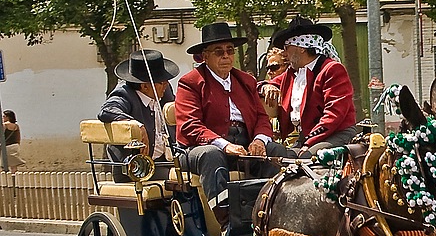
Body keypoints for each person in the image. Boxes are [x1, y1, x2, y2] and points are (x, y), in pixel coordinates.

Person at [174, 22, 294, 203]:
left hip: (245, 145)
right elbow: (190, 125)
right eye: (218, 52)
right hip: (198, 149)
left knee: (276, 152)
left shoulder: (246, 81)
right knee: (211, 155)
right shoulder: (190, 82)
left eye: (230, 51)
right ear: (205, 56)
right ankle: (224, 217)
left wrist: (259, 140)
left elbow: (261, 116)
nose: (226, 56)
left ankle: (273, 210)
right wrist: (224, 145)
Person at [261, 16, 357, 157]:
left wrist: (308, 142)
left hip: (336, 134)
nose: (284, 54)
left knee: (305, 159)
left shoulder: (332, 69)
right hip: (306, 138)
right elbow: (261, 84)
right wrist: (266, 87)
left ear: (301, 48)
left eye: (286, 48)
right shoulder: (292, 73)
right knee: (272, 155)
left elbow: (333, 115)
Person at [99, 49, 179, 180]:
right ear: (144, 86)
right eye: (161, 82)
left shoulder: (165, 91)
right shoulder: (124, 93)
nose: (166, 85)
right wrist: (137, 126)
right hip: (136, 169)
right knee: (181, 179)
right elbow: (107, 110)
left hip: (167, 161)